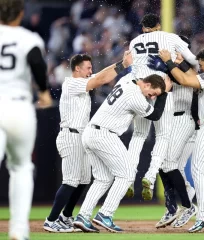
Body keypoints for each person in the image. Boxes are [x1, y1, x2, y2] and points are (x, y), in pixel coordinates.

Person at [43, 52, 132, 232]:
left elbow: (101, 76)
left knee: (83, 180)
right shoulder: (71, 83)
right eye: (88, 68)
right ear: (77, 68)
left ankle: (66, 217)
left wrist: (120, 64)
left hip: (81, 137)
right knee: (70, 181)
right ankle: (51, 220)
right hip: (71, 135)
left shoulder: (84, 81)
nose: (91, 71)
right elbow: (99, 80)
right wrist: (122, 64)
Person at [73, 73, 171, 233]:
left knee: (103, 179)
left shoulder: (125, 82)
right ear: (146, 85)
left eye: (156, 96)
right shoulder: (135, 95)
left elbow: (133, 76)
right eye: (153, 93)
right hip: (105, 134)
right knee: (127, 174)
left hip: (91, 132)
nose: (152, 97)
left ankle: (83, 216)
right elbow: (155, 115)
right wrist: (164, 93)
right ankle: (105, 214)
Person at [123, 13, 198, 201]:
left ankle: (129, 177)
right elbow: (195, 61)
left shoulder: (134, 42)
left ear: (142, 28)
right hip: (162, 90)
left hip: (140, 90)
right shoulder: (170, 38)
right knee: (163, 136)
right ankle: (149, 176)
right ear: (159, 24)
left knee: (138, 135)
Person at [159, 47, 204, 233]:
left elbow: (185, 79)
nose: (199, 68)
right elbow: (193, 75)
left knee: (198, 169)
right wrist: (182, 63)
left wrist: (168, 61)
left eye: (201, 65)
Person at [0, 0, 52, 239]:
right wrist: (43, 92)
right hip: (19, 107)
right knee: (21, 167)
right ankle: (19, 232)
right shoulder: (28, 38)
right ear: (21, 13)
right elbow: (37, 64)